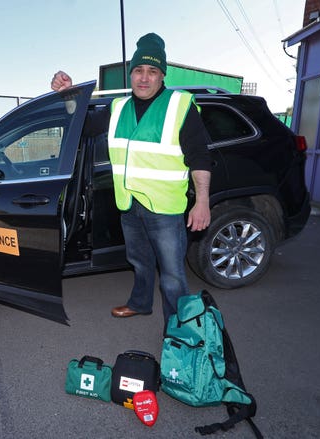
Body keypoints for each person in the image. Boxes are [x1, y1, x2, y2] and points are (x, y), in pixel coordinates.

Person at [51, 33, 212, 326]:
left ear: (162, 75)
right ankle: (140, 303)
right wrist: (68, 95)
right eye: (139, 70)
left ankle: (178, 334)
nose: (144, 78)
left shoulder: (180, 105)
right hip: (130, 204)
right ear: (132, 73)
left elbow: (200, 157)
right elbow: (84, 128)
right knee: (139, 262)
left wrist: (202, 201)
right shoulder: (118, 108)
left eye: (152, 71)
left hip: (165, 209)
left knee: (173, 276)